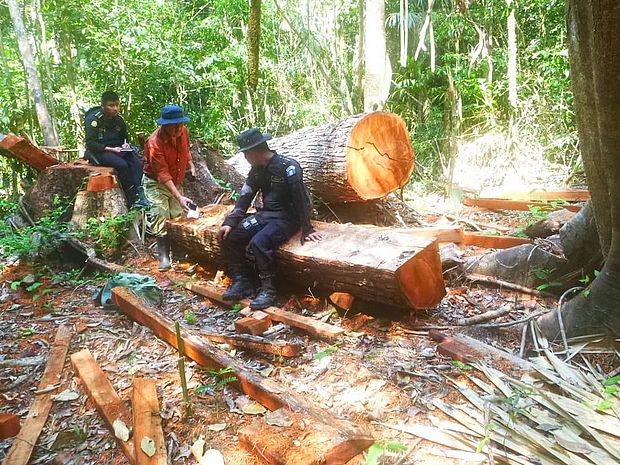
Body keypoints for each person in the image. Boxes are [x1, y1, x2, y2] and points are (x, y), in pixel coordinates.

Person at [217, 128, 323, 309]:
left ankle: (269, 290)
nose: (245, 157)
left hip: (287, 218)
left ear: (254, 151)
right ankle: (243, 281)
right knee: (232, 237)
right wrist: (230, 222)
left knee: (259, 242)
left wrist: (307, 228)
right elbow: (245, 196)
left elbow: (301, 199)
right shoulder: (256, 170)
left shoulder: (288, 167)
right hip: (266, 215)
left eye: (245, 154)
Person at [143, 104, 196, 271]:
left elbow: (186, 150)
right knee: (160, 214)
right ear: (165, 125)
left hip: (175, 181)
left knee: (177, 215)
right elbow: (162, 174)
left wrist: (191, 164)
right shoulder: (154, 143)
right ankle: (164, 256)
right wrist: (179, 197)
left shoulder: (183, 132)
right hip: (156, 184)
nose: (179, 129)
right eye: (175, 126)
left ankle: (178, 252)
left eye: (181, 124)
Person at [84, 91, 149, 208]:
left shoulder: (119, 120)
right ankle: (130, 196)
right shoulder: (94, 120)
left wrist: (125, 146)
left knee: (137, 163)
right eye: (111, 105)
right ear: (103, 106)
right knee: (122, 165)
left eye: (117, 105)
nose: (115, 108)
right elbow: (91, 143)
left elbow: (124, 138)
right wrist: (112, 149)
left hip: (118, 150)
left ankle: (141, 194)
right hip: (99, 151)